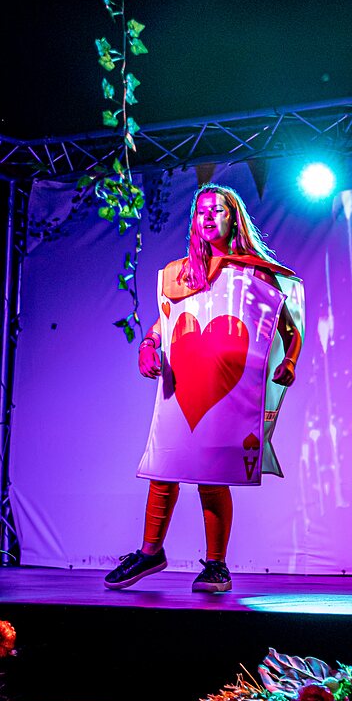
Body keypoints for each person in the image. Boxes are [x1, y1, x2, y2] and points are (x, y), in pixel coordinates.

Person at [105, 183, 304, 593]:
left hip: (229, 389)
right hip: (182, 382)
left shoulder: (255, 272)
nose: (208, 216)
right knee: (164, 467)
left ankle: (216, 566)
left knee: (212, 475)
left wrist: (289, 360)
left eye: (217, 210)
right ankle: (150, 552)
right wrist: (148, 344)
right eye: (201, 211)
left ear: (234, 218)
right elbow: (167, 321)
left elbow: (287, 329)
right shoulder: (181, 273)